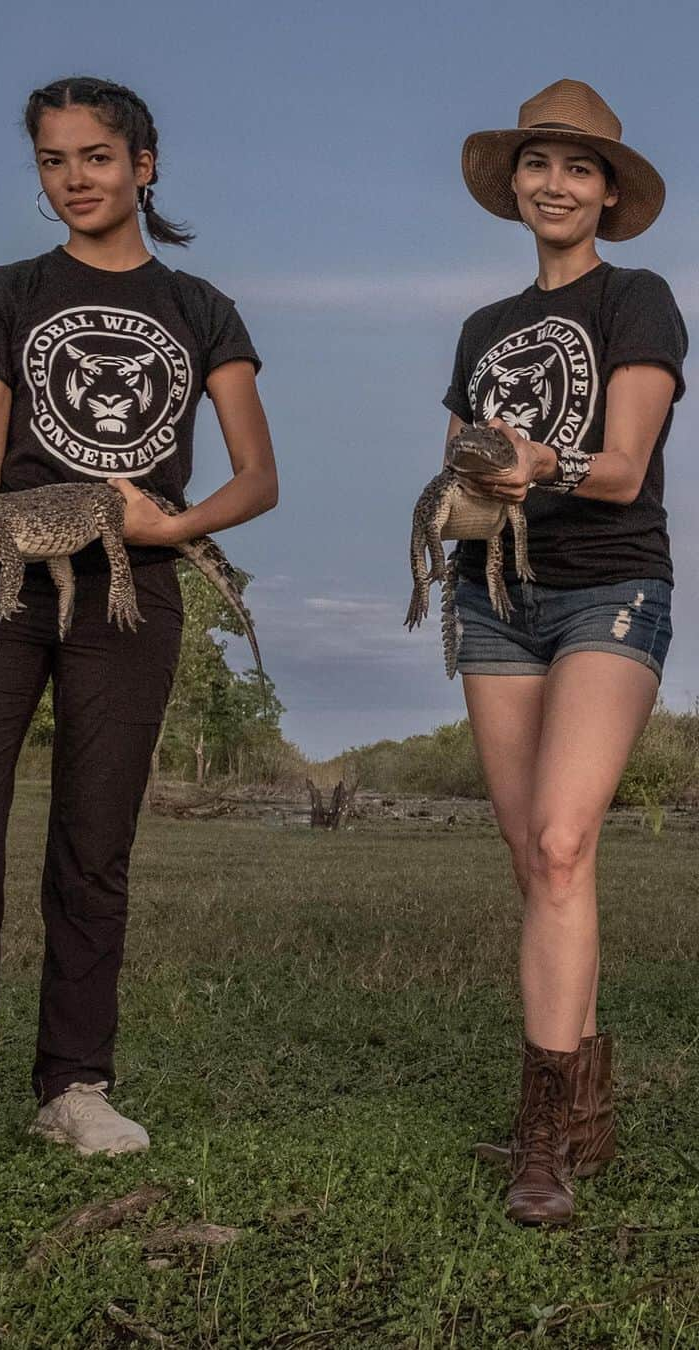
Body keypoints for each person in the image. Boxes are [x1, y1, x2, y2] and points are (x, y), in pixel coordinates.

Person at [0, 76, 277, 1206]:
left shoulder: (202, 307)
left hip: (129, 594)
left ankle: (74, 1085)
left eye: (96, 156)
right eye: (52, 160)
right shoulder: (4, 291)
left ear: (146, 162)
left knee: (95, 847)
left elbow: (257, 477)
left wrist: (173, 524)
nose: (73, 179)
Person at [441, 80, 686, 1225]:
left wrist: (546, 466)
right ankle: (585, 1091)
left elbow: (628, 468)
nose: (556, 184)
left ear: (607, 193)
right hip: (496, 600)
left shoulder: (638, 299)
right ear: (515, 183)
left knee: (560, 836)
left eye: (579, 169)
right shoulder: (483, 330)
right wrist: (459, 499)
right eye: (540, 164)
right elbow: (464, 465)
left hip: (610, 589)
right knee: (531, 860)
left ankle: (542, 1136)